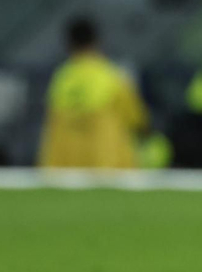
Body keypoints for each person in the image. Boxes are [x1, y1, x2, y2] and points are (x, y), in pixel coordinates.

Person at [38, 17, 149, 169]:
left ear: (69, 44)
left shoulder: (61, 79)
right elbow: (137, 119)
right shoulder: (112, 76)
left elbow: (51, 123)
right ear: (97, 41)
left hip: (67, 164)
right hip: (107, 163)